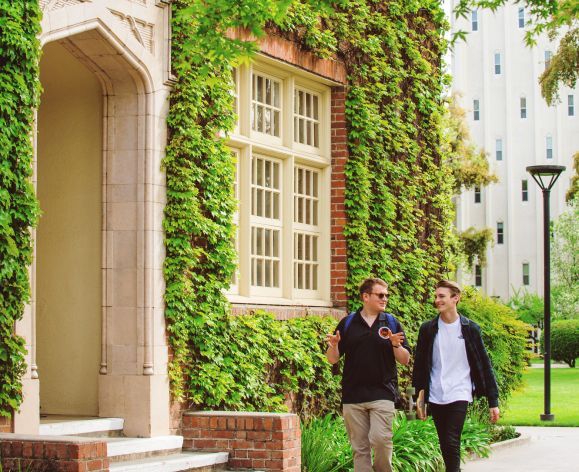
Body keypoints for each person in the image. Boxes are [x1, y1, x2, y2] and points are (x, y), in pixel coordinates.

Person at [412, 280, 500, 472]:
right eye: (436, 296)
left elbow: (485, 366)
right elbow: (419, 367)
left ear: (455, 298)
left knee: (452, 440)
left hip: (460, 391)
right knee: (445, 442)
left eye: (441, 296)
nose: (437, 300)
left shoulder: (470, 329)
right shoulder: (428, 329)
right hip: (436, 392)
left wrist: (493, 401)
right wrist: (417, 402)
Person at [326, 278, 410, 472]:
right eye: (380, 295)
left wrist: (395, 344)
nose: (385, 298)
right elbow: (333, 359)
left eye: (387, 295)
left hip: (383, 393)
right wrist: (334, 345)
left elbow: (405, 359)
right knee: (360, 449)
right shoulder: (348, 323)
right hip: (353, 395)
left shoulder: (390, 322)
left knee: (381, 440)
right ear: (365, 296)